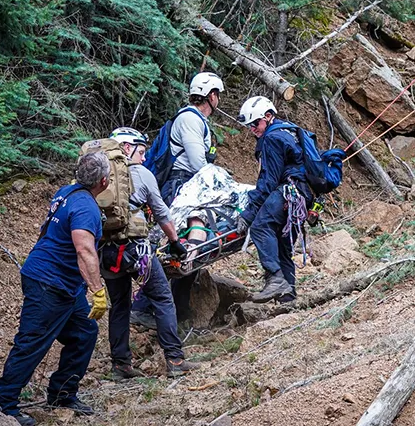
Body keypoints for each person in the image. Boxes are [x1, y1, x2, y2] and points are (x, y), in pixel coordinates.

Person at [0, 152, 111, 426]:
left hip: (63, 285)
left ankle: (62, 395)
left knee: (84, 332)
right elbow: (84, 249)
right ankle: (3, 401)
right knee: (33, 341)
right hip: (49, 283)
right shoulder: (86, 208)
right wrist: (98, 290)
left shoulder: (66, 192)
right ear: (104, 181)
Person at [102, 128, 199, 380]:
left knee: (120, 306)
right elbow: (161, 213)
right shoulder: (142, 175)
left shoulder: (99, 178)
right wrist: (176, 242)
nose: (144, 158)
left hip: (107, 254)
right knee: (163, 298)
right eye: (141, 151)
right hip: (136, 252)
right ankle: (175, 360)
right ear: (126, 148)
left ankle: (121, 366)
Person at [236, 96, 312, 304]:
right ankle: (288, 299)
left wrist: (249, 213)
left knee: (260, 227)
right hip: (303, 195)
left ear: (268, 116)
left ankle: (275, 279)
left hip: (290, 190)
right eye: (249, 125)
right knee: (282, 243)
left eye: (255, 123)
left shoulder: (271, 138)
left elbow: (268, 181)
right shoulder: (290, 132)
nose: (252, 129)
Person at [159, 72, 223, 206]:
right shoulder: (190, 119)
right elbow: (198, 163)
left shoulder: (195, 118)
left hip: (185, 181)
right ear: (212, 96)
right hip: (181, 183)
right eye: (217, 94)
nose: (218, 99)